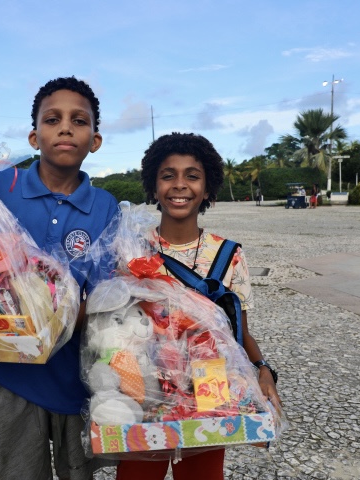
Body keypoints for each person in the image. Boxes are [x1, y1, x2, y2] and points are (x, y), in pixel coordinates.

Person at [0, 77, 119, 480]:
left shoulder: (105, 207)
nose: (65, 128)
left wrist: (52, 326)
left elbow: (104, 294)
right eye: (53, 120)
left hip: (75, 378)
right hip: (8, 373)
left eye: (78, 121)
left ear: (95, 141)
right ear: (34, 137)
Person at [116, 132, 281, 480]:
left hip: (210, 385)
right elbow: (115, 327)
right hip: (146, 389)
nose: (180, 184)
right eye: (168, 175)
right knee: (137, 473)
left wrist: (263, 369)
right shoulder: (131, 250)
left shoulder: (229, 254)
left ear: (207, 189)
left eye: (192, 176)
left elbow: (239, 332)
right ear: (154, 186)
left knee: (202, 473)